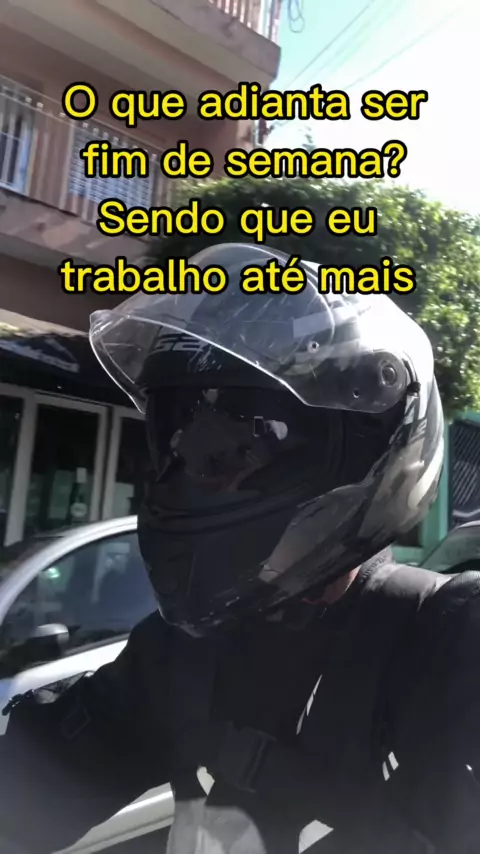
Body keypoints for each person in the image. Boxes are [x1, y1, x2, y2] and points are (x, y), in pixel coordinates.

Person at [1, 242, 479, 854]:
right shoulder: (185, 651)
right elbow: (30, 786)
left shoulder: (449, 646)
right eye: (178, 442)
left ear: (362, 447)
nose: (193, 476)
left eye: (239, 446)